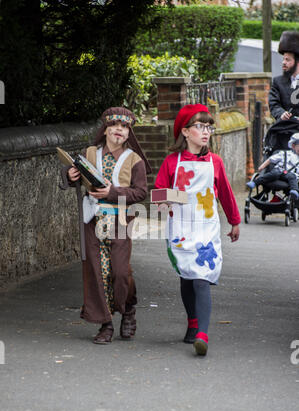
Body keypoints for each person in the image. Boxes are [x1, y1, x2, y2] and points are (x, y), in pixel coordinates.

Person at [154, 104, 241, 356]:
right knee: (187, 276)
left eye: (209, 127)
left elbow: (224, 192)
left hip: (206, 229)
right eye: (200, 126)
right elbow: (159, 191)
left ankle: (201, 333)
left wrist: (235, 220)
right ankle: (192, 321)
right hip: (180, 228)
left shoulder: (215, 162)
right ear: (185, 131)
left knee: (202, 277)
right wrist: (164, 200)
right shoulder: (172, 162)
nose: (206, 132)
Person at [60, 107, 151, 344]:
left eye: (124, 127)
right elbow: (73, 177)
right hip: (93, 220)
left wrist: (113, 192)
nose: (119, 130)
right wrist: (70, 176)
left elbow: (141, 192)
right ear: (106, 129)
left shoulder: (135, 160)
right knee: (98, 273)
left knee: (120, 272)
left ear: (129, 132)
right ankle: (106, 324)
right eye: (114, 126)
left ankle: (128, 308)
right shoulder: (89, 153)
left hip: (120, 222)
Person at [247, 133, 299, 200]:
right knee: (274, 173)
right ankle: (255, 182)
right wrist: (262, 167)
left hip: (290, 175)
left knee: (292, 177)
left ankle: (294, 191)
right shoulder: (284, 153)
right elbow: (271, 159)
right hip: (279, 170)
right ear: (293, 146)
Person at [268, 31, 299, 121]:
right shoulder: (278, 82)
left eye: (287, 60)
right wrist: (281, 113)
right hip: (284, 128)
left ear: (297, 63)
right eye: (283, 59)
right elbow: (274, 104)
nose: (283, 63)